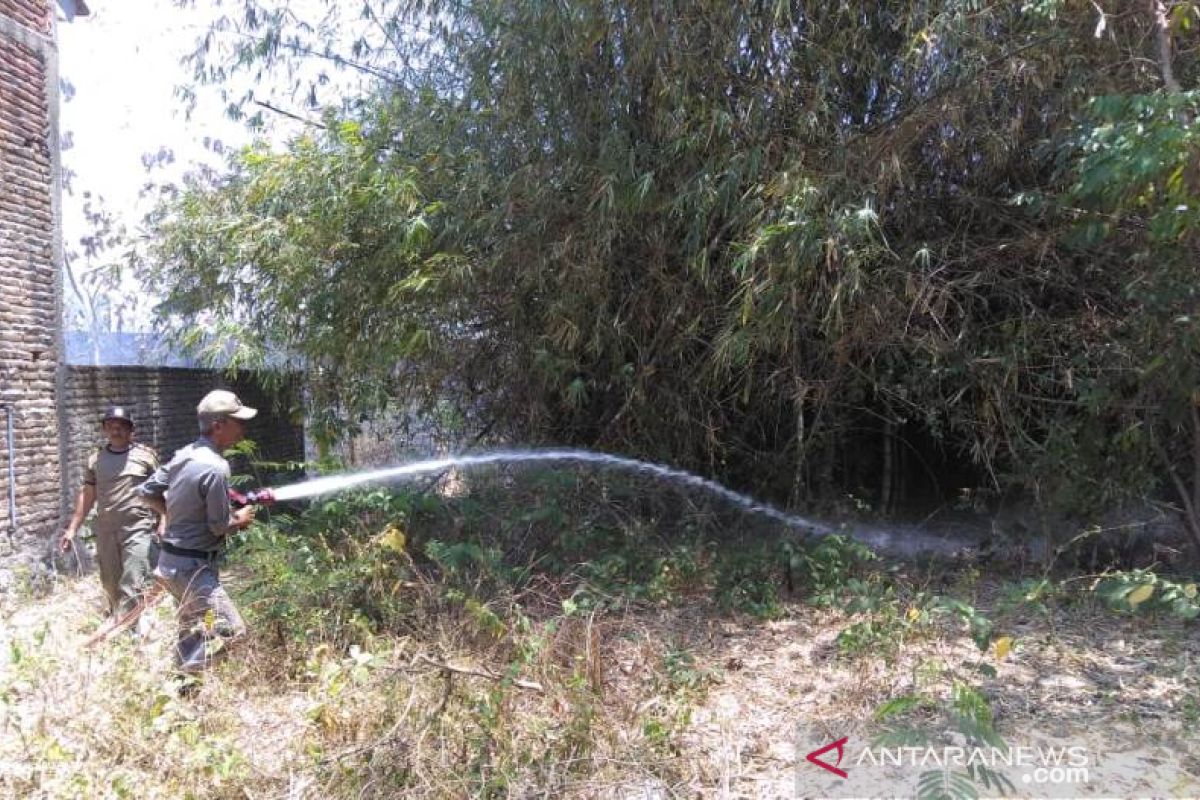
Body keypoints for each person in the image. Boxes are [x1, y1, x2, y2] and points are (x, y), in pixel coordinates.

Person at [138, 390, 257, 675]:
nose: (243, 428)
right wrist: (239, 519)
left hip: (171, 564)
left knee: (194, 630)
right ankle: (199, 679)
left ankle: (187, 689)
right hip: (192, 568)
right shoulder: (216, 468)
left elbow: (146, 492)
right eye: (237, 421)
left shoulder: (184, 455)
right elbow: (219, 525)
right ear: (219, 425)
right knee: (232, 629)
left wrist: (171, 514)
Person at [59, 406, 163, 619]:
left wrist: (165, 520)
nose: (116, 430)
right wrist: (71, 530)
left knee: (134, 579)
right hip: (106, 530)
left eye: (121, 426)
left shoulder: (146, 457)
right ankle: (118, 620)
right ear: (105, 429)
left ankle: (131, 628)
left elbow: (163, 491)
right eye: (111, 426)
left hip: (137, 528)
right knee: (110, 582)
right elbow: (87, 495)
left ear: (130, 429)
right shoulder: (95, 460)